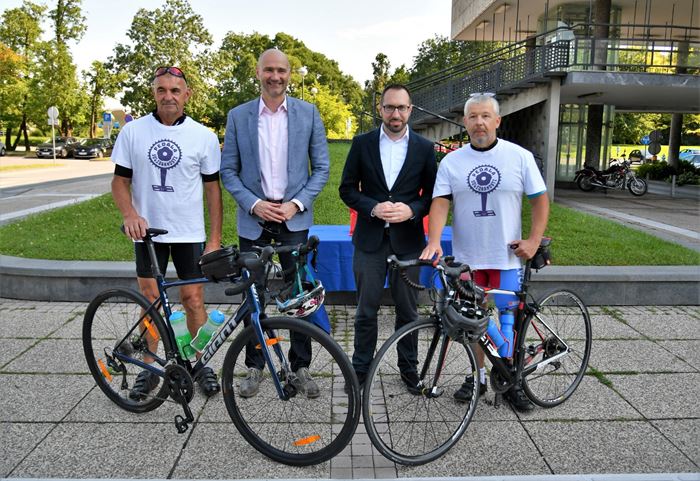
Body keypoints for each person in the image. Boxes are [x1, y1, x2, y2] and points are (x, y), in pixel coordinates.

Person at [420, 93, 549, 412]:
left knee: (508, 321)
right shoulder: (451, 162)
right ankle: (478, 377)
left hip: (506, 256)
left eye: (486, 116)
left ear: (497, 121)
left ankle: (511, 379)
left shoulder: (519, 157)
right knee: (473, 323)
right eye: (473, 116)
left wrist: (533, 241)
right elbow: (440, 202)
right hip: (468, 259)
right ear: (464, 122)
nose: (479, 122)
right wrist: (434, 241)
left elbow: (539, 199)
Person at [220, 49, 330, 398]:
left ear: (289, 74)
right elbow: (228, 171)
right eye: (269, 69)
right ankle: (255, 365)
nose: (275, 76)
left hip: (293, 219)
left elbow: (322, 168)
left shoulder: (308, 114)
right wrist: (254, 204)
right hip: (254, 219)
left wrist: (296, 204)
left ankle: (300, 366)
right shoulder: (238, 116)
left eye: (281, 70)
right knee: (253, 294)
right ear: (258, 72)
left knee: (299, 295)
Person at [111, 66, 223, 399]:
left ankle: (199, 363)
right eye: (162, 90)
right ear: (154, 93)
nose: (168, 96)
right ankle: (149, 367)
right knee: (151, 302)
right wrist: (130, 214)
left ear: (187, 95)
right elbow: (119, 181)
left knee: (193, 299)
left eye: (175, 90)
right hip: (148, 233)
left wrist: (214, 239)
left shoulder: (203, 136)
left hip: (189, 232)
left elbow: (213, 190)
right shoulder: (133, 132)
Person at [339, 84, 437, 393]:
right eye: (390, 107)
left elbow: (433, 195)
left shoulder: (424, 148)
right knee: (365, 310)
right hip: (370, 241)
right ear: (380, 109)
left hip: (408, 243)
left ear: (410, 110)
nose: (396, 113)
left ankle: (408, 369)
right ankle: (361, 369)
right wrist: (372, 207)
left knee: (408, 312)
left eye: (401, 107)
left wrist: (412, 210)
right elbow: (346, 189)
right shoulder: (362, 143)